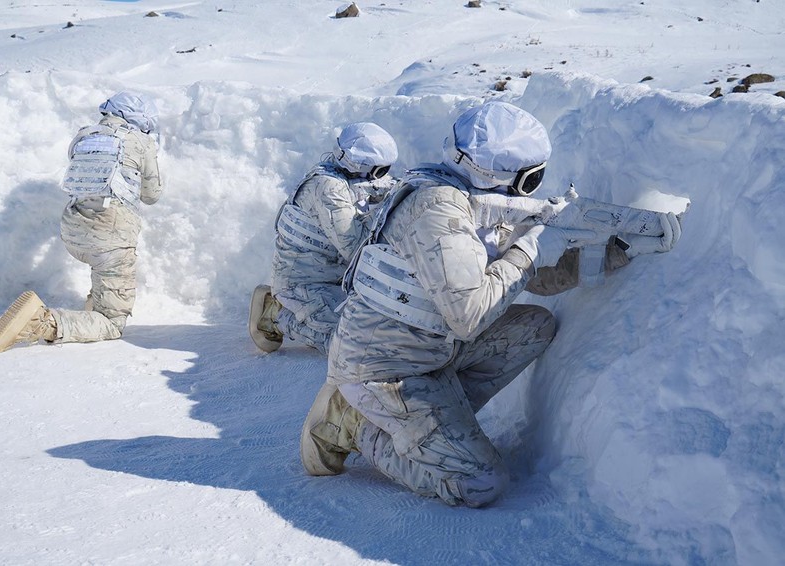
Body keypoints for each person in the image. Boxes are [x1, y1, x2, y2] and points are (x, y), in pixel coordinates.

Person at [299, 101, 682, 507]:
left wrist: (617, 250)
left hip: (430, 350)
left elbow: (538, 279)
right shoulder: (436, 211)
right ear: (501, 172)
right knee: (480, 483)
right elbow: (470, 316)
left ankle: (429, 424)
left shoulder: (468, 199)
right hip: (382, 369)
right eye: (532, 178)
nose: (533, 187)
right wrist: (531, 249)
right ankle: (356, 424)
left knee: (534, 326)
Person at [0, 91, 163, 352]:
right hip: (110, 238)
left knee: (103, 269)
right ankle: (42, 322)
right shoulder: (140, 141)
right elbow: (152, 195)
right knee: (112, 322)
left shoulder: (83, 136)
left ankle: (93, 307)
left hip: (72, 231)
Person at [248, 122, 399, 355]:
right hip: (303, 285)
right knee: (352, 346)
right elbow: (356, 249)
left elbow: (384, 186)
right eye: (380, 170)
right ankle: (277, 314)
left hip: (337, 281)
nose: (382, 175)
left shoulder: (348, 176)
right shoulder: (328, 189)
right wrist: (387, 215)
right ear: (359, 164)